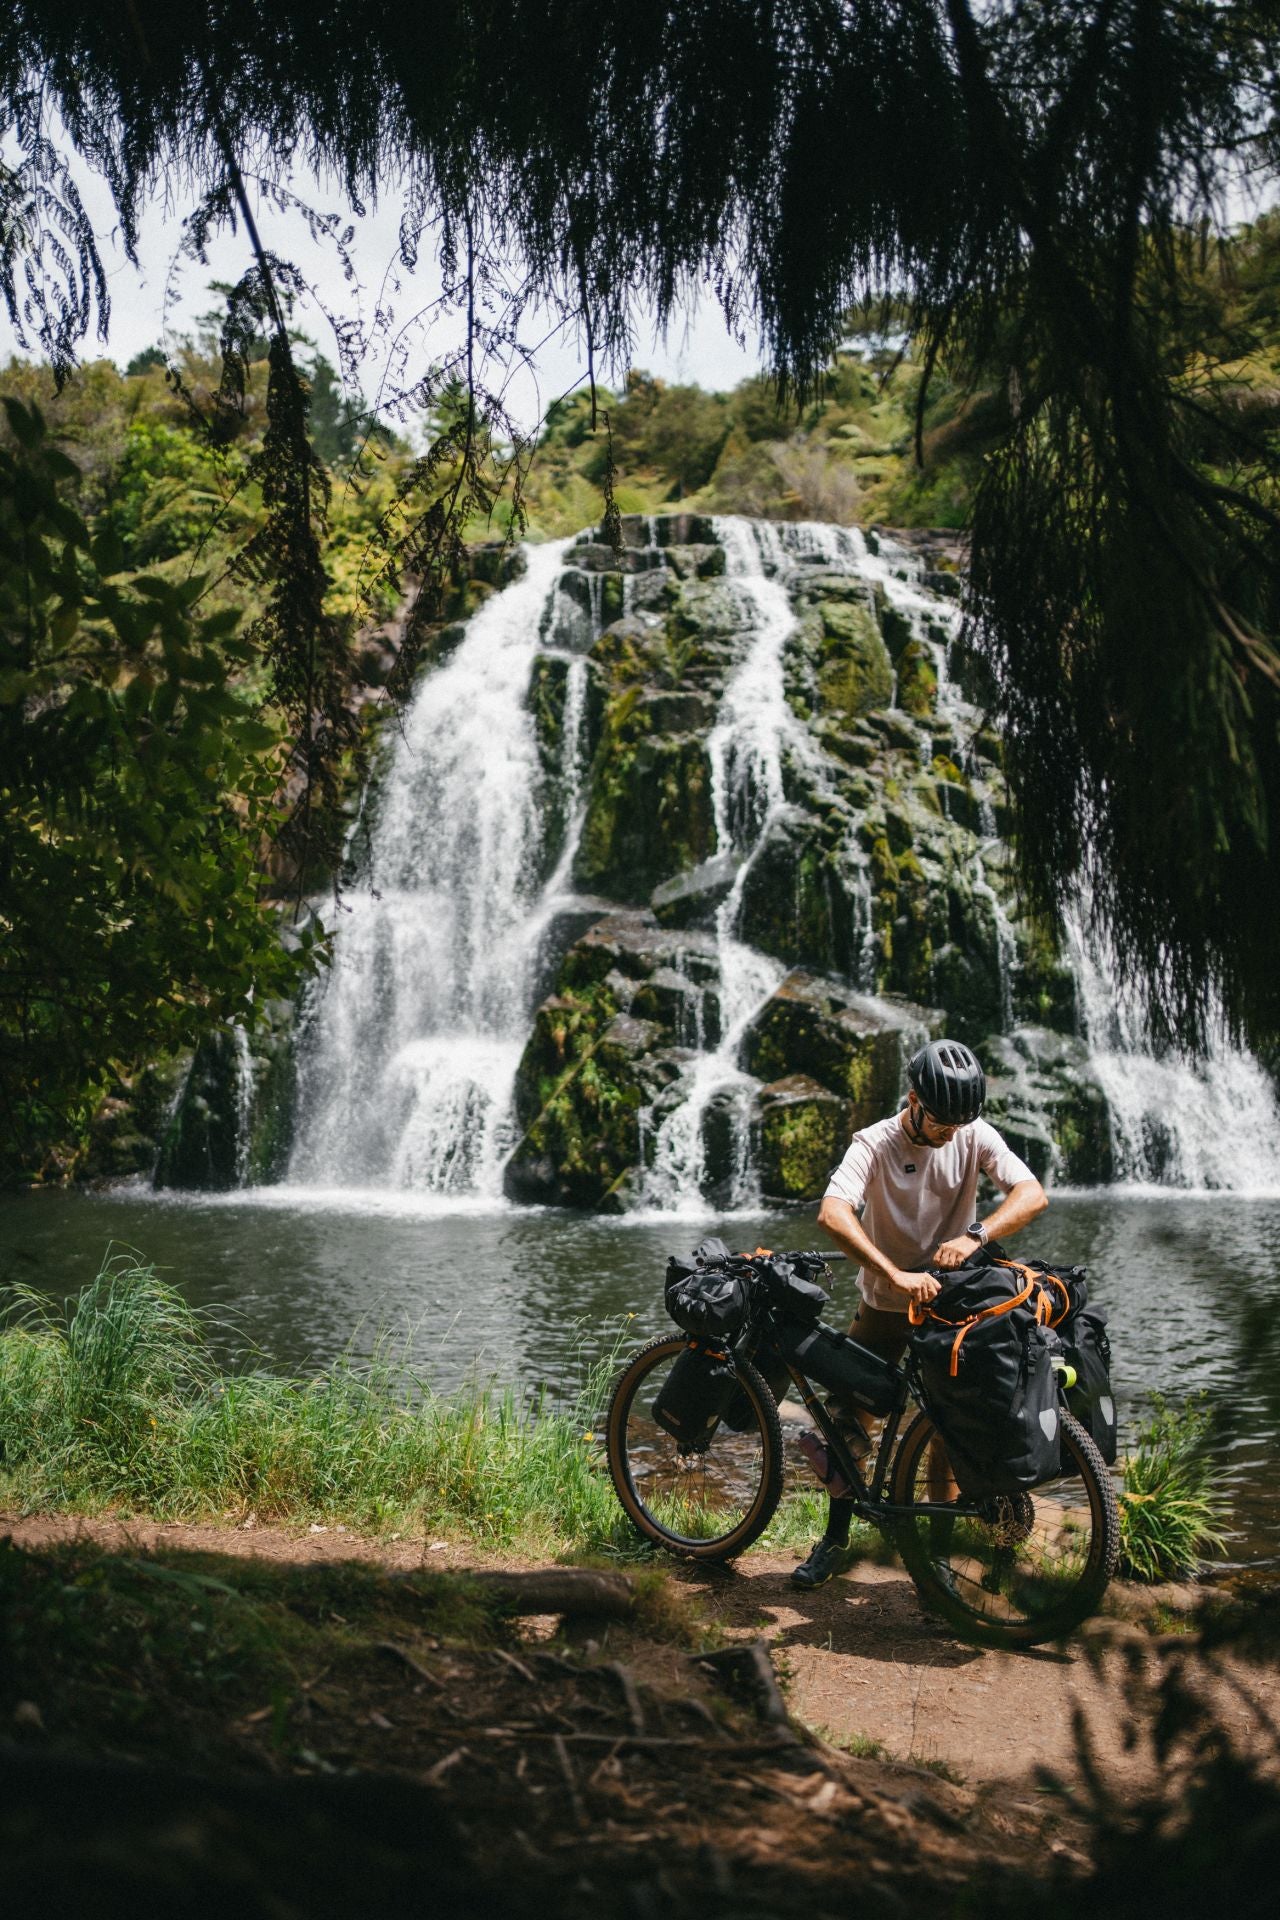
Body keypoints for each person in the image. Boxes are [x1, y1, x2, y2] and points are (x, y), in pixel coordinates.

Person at [791, 1037, 1048, 1590]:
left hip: (955, 1305)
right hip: (887, 1303)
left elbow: (1031, 1194)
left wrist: (977, 1234)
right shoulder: (875, 1143)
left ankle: (938, 1558)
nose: (949, 1133)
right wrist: (894, 1273)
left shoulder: (973, 1133)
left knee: (946, 1428)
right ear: (913, 1101)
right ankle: (835, 1541)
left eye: (959, 1123)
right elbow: (833, 1214)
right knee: (846, 1425)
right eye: (940, 1123)